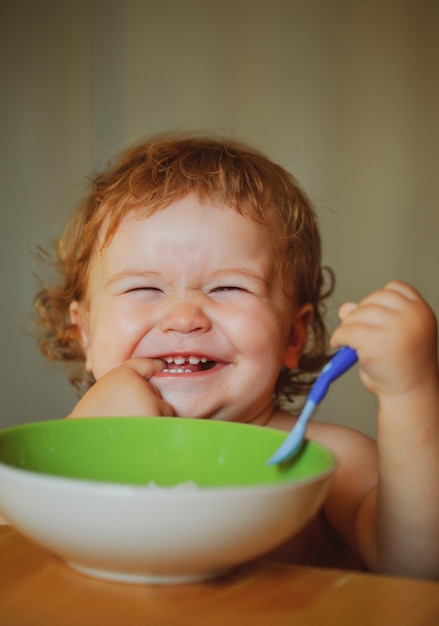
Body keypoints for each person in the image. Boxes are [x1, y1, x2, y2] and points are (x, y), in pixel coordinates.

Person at [33, 135, 439, 579]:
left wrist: (410, 392)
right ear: (85, 334)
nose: (184, 318)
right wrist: (86, 442)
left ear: (293, 335)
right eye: (144, 288)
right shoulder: (64, 446)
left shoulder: (329, 461)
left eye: (228, 287)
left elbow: (416, 566)